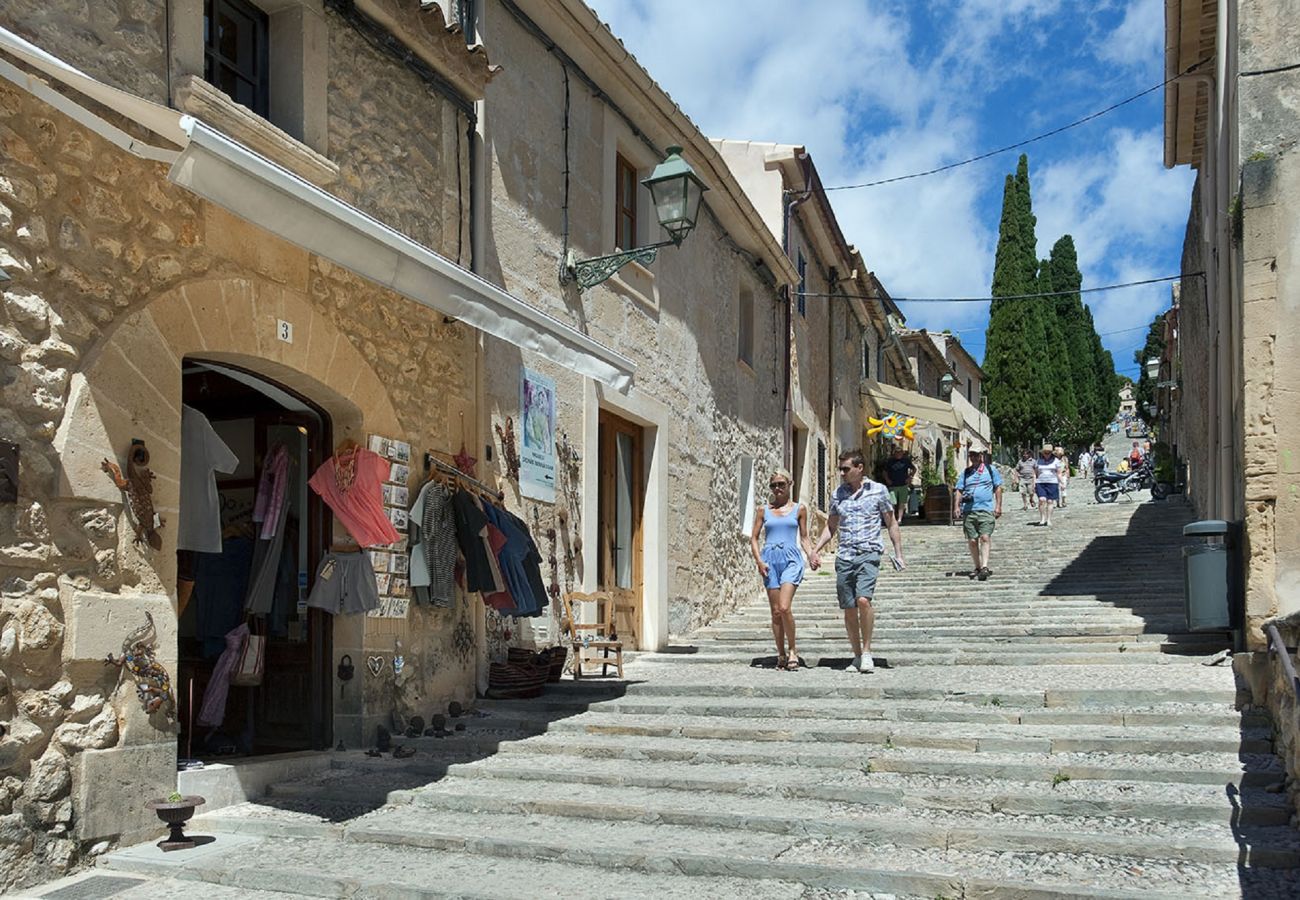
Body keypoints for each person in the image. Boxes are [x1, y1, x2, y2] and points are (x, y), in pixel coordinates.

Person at [810, 449, 905, 674]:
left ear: (859, 468)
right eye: (840, 469)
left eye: (846, 469)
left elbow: (891, 523)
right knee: (850, 607)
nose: (842, 473)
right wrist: (815, 550)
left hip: (869, 552)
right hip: (845, 556)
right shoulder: (837, 494)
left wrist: (899, 553)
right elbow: (831, 526)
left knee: (863, 600)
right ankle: (856, 656)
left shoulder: (879, 491)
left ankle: (867, 651)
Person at [749, 469, 812, 671]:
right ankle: (781, 654)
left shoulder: (799, 509)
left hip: (791, 559)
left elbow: (804, 537)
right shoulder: (763, 510)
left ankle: (793, 649)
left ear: (790, 484)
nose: (777, 488)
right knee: (776, 612)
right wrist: (759, 561)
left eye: (781, 484)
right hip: (769, 560)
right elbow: (754, 538)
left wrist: (811, 554)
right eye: (774, 485)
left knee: (784, 607)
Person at [953, 448, 1002, 581]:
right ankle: (977, 566)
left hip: (986, 509)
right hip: (969, 510)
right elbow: (959, 489)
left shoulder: (991, 470)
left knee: (985, 537)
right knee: (972, 540)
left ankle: (985, 567)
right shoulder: (966, 472)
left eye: (976, 455)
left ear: (981, 456)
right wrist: (956, 506)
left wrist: (998, 506)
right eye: (971, 455)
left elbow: (998, 488)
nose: (973, 457)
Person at [882, 446, 916, 521]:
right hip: (893, 485)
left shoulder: (906, 461)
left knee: (902, 502)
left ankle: (899, 519)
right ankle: (893, 518)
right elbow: (884, 472)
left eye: (900, 452)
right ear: (894, 453)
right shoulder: (890, 461)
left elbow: (914, 469)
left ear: (902, 453)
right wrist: (887, 479)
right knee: (892, 502)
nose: (898, 454)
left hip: (903, 484)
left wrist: (910, 478)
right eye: (896, 452)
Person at [1032, 444, 1063, 526]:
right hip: (1040, 482)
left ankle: (1049, 519)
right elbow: (1035, 473)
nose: (1047, 454)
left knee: (1050, 501)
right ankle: (1042, 518)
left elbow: (1059, 473)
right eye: (1045, 453)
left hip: (1052, 482)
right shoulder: (1038, 461)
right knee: (1042, 500)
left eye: (1048, 453)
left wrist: (1062, 483)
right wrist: (1034, 483)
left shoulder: (1056, 461)